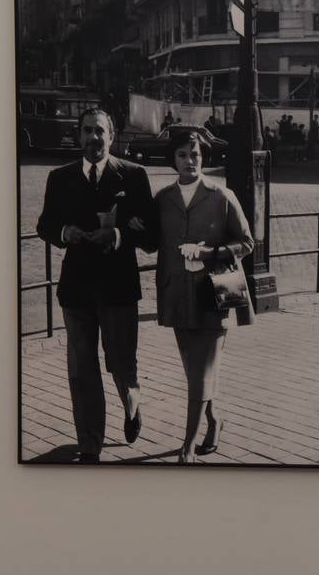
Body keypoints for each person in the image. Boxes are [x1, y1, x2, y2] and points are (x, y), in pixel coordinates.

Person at [35, 108, 155, 463]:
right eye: (87, 131)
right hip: (76, 289)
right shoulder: (59, 178)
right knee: (81, 368)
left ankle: (132, 403)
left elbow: (151, 232)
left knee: (120, 363)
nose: (94, 138)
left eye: (100, 131)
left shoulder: (133, 176)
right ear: (79, 135)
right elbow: (45, 225)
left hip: (119, 287)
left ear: (112, 136)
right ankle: (90, 443)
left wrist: (118, 234)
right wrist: (63, 233)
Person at [151, 125, 254, 463]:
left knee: (199, 374)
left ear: (203, 157)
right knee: (196, 373)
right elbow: (153, 242)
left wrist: (210, 253)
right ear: (173, 160)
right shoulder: (163, 199)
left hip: (213, 297)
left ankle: (187, 448)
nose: (189, 160)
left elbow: (247, 243)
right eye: (182, 155)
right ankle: (213, 421)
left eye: (194, 154)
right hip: (177, 296)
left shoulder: (221, 196)